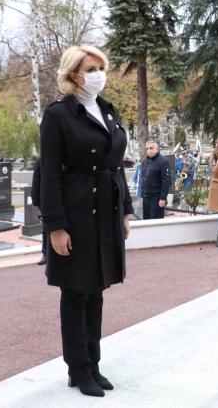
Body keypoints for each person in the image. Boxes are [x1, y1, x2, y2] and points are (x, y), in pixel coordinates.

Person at [40, 45, 133, 397]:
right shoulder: (59, 114)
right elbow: (48, 174)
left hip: (106, 211)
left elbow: (116, 165)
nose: (98, 74)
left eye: (101, 67)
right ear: (73, 74)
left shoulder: (109, 111)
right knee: (76, 292)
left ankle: (92, 363)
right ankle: (78, 370)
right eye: (91, 68)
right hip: (76, 213)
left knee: (97, 291)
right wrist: (56, 226)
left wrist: (125, 209)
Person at [140, 141, 172, 220]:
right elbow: (143, 179)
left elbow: (167, 181)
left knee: (155, 222)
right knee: (147, 222)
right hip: (146, 197)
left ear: (157, 149)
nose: (149, 150)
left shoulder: (163, 161)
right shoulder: (145, 161)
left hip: (156, 198)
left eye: (151, 148)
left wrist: (163, 198)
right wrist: (141, 195)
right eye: (147, 148)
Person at [32, 157, 46, 265]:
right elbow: (36, 182)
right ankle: (45, 254)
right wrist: (36, 201)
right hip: (45, 201)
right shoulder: (41, 160)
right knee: (45, 229)